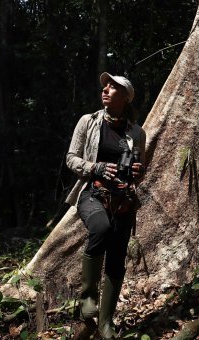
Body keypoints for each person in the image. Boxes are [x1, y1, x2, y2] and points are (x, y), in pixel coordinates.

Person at [65, 72, 146, 339]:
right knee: (100, 228)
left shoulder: (136, 132)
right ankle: (88, 299)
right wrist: (96, 167)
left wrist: (137, 170)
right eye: (106, 86)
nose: (106, 90)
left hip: (123, 200)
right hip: (93, 193)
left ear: (125, 97)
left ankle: (106, 323)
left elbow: (138, 169)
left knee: (117, 257)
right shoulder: (88, 122)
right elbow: (71, 158)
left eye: (114, 87)